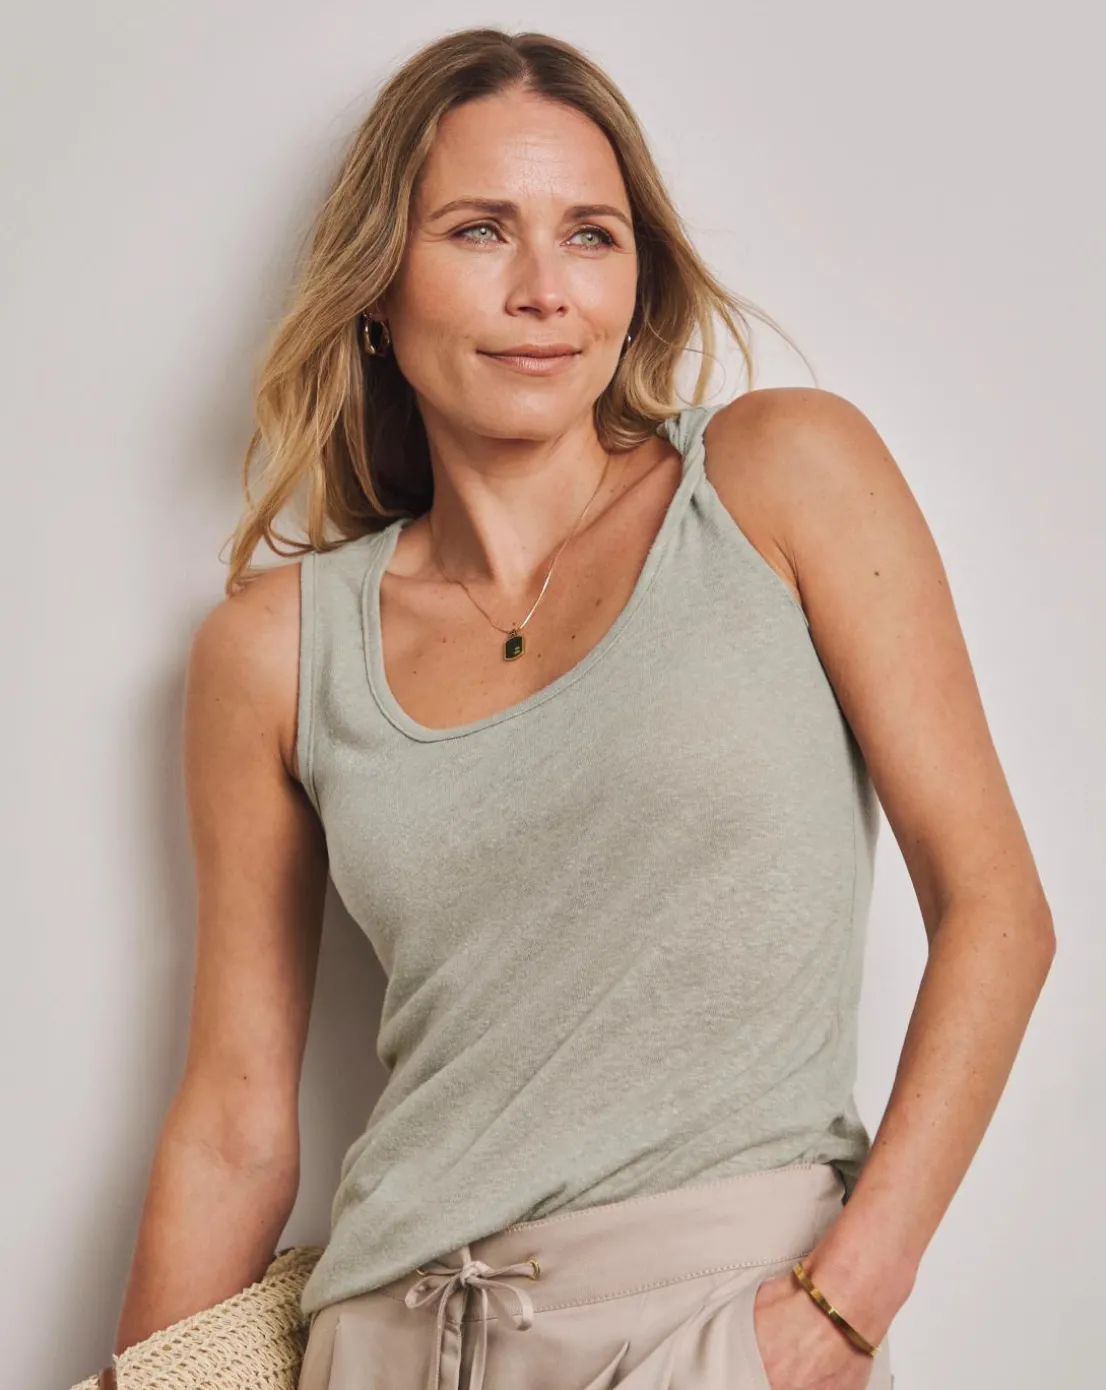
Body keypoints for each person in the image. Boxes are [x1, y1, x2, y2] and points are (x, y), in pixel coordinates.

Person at [108, 26, 1055, 1390]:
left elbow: (996, 911)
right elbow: (233, 1124)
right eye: (479, 231)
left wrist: (844, 1305)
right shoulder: (274, 648)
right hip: (382, 1342)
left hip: (717, 1323)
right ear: (378, 286)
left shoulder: (779, 479)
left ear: (635, 278)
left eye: (591, 236)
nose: (544, 291)